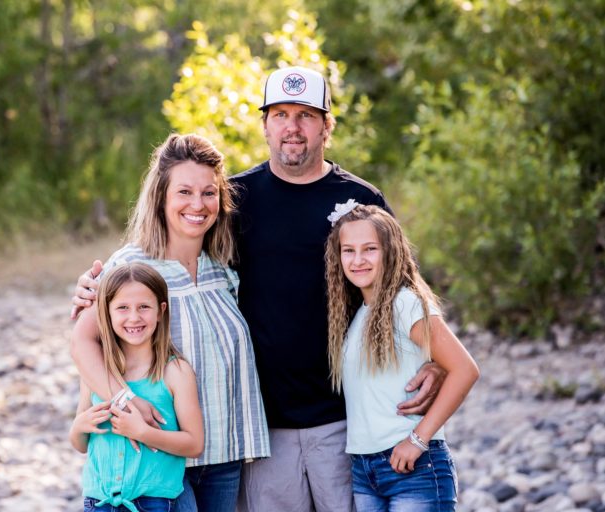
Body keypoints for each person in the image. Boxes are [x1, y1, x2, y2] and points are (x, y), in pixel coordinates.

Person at [73, 66, 445, 512]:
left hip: (343, 421)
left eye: (306, 115)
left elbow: (402, 294)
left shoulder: (359, 202)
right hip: (262, 433)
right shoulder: (238, 199)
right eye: (281, 114)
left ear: (327, 125)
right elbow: (115, 305)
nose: (293, 127)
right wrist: (93, 291)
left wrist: (435, 362)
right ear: (264, 124)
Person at [70, 133, 270, 512]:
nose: (198, 204)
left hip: (221, 454)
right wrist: (124, 400)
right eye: (184, 192)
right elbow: (82, 343)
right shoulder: (131, 266)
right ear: (161, 196)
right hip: (158, 456)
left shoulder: (222, 270)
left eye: (209, 193)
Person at [324, 202, 479, 511]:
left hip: (413, 468)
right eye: (348, 250)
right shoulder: (359, 314)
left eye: (370, 249)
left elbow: (465, 369)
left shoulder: (404, 303)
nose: (357, 260)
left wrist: (418, 440)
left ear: (390, 252)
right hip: (365, 471)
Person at [70, 262, 204, 512]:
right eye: (122, 308)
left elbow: (194, 443)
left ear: (160, 310)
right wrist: (79, 427)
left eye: (144, 307)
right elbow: (80, 443)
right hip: (99, 502)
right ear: (106, 313)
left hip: (155, 503)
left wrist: (144, 433)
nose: (134, 317)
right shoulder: (97, 372)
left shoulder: (175, 372)